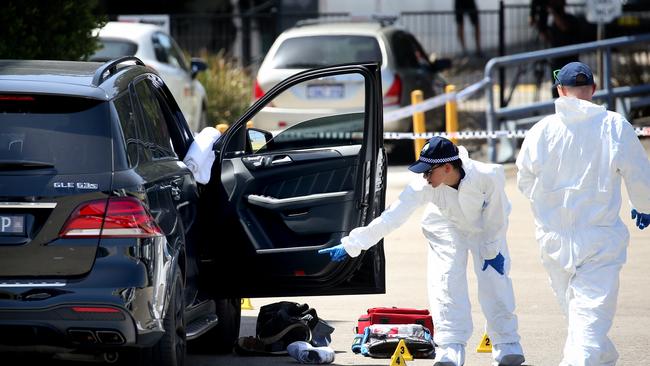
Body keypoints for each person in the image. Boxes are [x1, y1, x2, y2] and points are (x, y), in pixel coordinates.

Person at [319, 137, 525, 366]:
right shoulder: (424, 185)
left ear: (447, 168)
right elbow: (392, 217)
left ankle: (507, 344)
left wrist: (491, 250)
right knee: (446, 280)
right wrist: (353, 243)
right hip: (445, 225)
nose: (425, 176)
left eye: (429, 171)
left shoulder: (489, 176)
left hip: (485, 227)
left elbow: (496, 220)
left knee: (495, 282)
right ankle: (450, 347)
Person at [516, 61, 650, 365]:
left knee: (583, 323)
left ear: (560, 91)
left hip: (553, 242)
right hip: (599, 241)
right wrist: (645, 206)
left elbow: (525, 179)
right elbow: (640, 174)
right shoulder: (615, 126)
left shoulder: (542, 131)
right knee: (587, 327)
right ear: (593, 89)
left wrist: (547, 207)